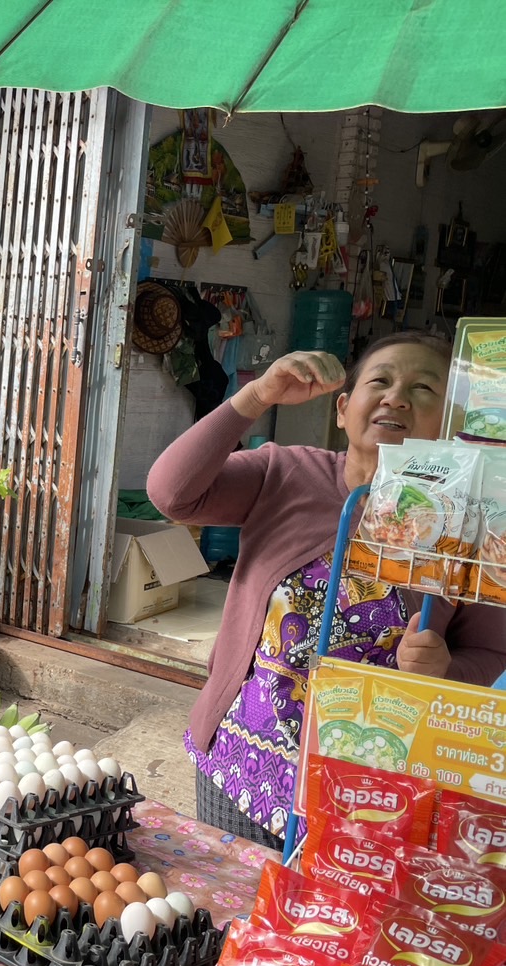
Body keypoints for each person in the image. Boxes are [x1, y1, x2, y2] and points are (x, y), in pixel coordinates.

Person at [148, 335, 506, 848]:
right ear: (342, 409)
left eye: (423, 388)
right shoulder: (285, 472)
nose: (396, 397)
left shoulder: (471, 527)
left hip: (369, 792)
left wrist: (445, 669)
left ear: (451, 425)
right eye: (380, 381)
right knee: (233, 898)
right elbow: (171, 494)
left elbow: (491, 651)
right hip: (241, 768)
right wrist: (257, 396)